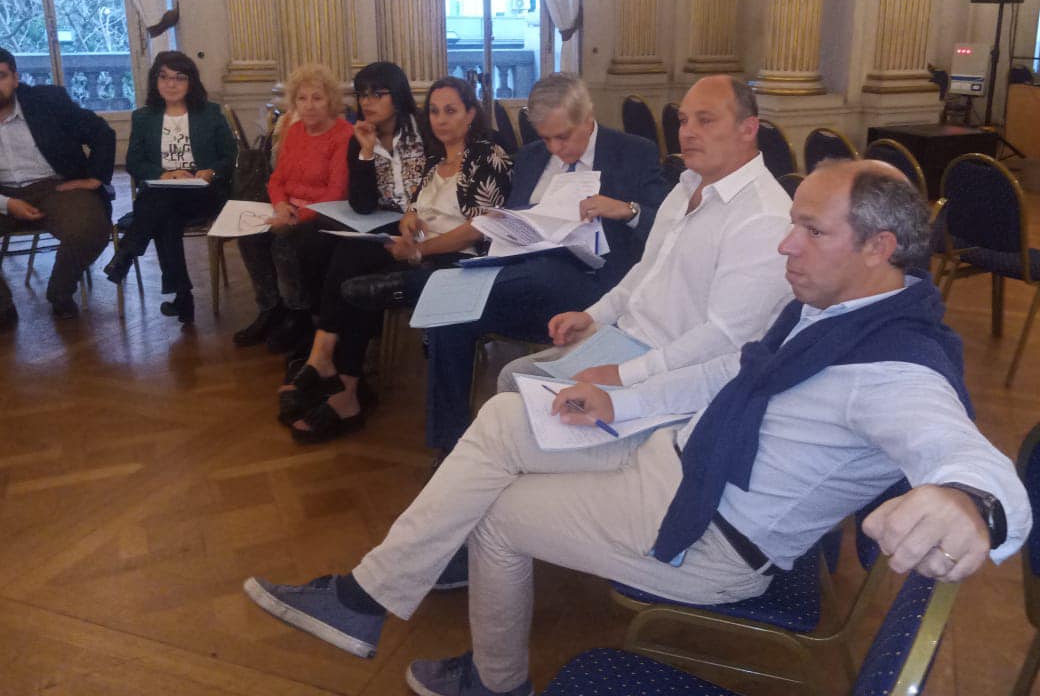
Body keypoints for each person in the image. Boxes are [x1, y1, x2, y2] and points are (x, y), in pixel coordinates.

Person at [244, 159, 1032, 696]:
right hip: (676, 460)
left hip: (710, 536)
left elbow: (964, 453)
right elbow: (732, 372)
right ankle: (365, 596)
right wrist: (618, 394)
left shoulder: (896, 369)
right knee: (509, 415)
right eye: (792, 222)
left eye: (812, 231)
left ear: (879, 248)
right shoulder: (836, 309)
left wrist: (971, 505)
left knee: (500, 516)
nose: (786, 243)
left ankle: (493, 680)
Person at [340, 72, 668, 456]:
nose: (556, 148)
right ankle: (450, 446)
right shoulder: (531, 157)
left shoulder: (633, 152)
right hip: (523, 283)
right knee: (450, 313)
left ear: (587, 116)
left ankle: (413, 286)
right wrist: (505, 225)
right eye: (546, 138)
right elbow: (513, 223)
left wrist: (626, 210)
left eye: (563, 137)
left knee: (541, 272)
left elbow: (669, 225)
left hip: (593, 287)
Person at [496, 74, 793, 395]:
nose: (687, 132)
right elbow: (647, 269)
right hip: (628, 339)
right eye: (683, 120)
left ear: (748, 129)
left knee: (518, 388)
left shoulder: (764, 216)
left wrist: (626, 373)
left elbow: (724, 338)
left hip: (675, 372)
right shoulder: (687, 185)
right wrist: (593, 316)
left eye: (705, 120)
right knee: (514, 377)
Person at [282, 75, 513, 444]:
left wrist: (420, 251)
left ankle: (340, 383)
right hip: (419, 249)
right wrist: (408, 221)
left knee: (362, 286)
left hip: (459, 259)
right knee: (351, 257)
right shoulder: (434, 158)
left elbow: (480, 229)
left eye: (451, 111)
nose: (441, 120)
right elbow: (413, 207)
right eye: (434, 111)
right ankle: (339, 377)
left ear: (471, 114)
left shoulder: (488, 154)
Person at [103, 51, 238, 323]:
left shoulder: (210, 113)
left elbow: (230, 155)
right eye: (163, 77)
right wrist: (162, 175)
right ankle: (183, 297)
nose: (171, 84)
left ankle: (127, 253)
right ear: (155, 81)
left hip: (203, 192)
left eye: (179, 77)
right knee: (165, 212)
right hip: (162, 192)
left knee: (157, 206)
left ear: (191, 82)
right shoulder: (144, 117)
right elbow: (134, 162)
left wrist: (210, 172)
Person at [234, 63, 352, 353]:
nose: (309, 105)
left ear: (331, 100)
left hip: (324, 215)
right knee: (249, 236)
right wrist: (280, 205)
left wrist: (295, 217)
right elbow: (277, 179)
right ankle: (270, 308)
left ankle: (298, 313)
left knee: (284, 242)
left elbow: (336, 194)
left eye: (317, 98)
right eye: (302, 98)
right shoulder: (296, 130)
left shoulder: (343, 134)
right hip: (288, 209)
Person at [0, 47, 114, 324]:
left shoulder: (47, 101)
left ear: (15, 78)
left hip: (53, 186)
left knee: (91, 227)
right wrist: (7, 203)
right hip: (2, 193)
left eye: (0, 76)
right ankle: (2, 307)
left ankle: (61, 291)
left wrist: (95, 177)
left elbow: (102, 133)